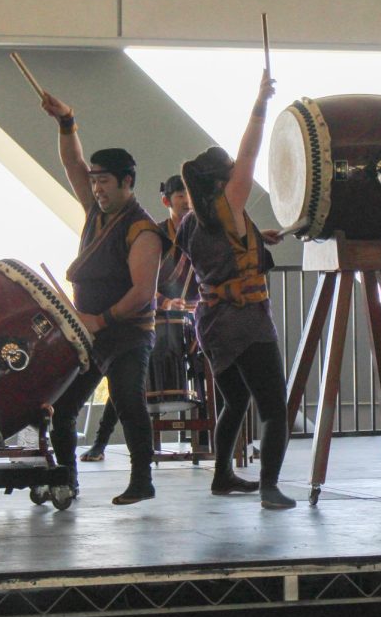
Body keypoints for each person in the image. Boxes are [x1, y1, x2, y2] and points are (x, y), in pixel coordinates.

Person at [175, 71, 295, 510]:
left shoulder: (191, 221)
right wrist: (261, 102)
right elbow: (250, 150)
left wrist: (254, 236)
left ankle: (223, 474)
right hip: (246, 321)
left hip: (211, 323)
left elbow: (218, 254)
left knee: (236, 398)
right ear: (222, 181)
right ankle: (269, 487)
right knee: (273, 408)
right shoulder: (229, 204)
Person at [40, 93, 164, 505]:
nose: (95, 187)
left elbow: (142, 295)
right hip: (90, 333)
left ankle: (142, 481)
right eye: (94, 181)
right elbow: (72, 165)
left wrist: (100, 321)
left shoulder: (142, 230)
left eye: (103, 181)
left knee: (129, 401)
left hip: (126, 334)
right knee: (61, 407)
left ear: (127, 182)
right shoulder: (96, 211)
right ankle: (66, 481)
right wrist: (67, 122)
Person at [81, 174, 198, 462]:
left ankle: (211, 441)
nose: (186, 200)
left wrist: (195, 305)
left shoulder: (199, 235)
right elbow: (141, 285)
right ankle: (101, 441)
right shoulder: (152, 235)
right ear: (166, 201)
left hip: (191, 320)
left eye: (189, 195)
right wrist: (166, 302)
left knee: (208, 368)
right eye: (179, 195)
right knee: (128, 382)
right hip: (150, 320)